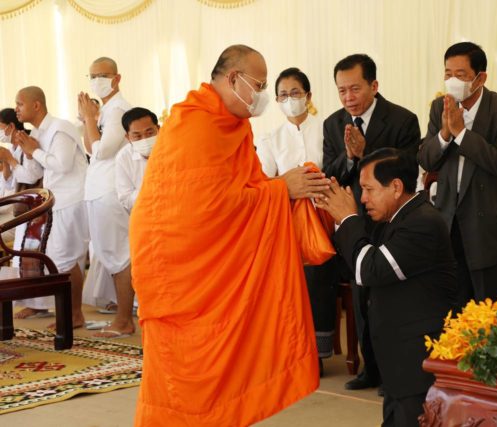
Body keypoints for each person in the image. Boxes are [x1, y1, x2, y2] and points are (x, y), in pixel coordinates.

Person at [129, 44, 328, 427]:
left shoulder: (232, 125)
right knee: (184, 372)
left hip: (210, 258)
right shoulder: (196, 123)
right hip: (179, 265)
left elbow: (241, 190)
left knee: (222, 366)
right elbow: (206, 207)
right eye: (261, 85)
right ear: (234, 79)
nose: (264, 95)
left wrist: (282, 189)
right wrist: (280, 190)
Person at [316, 147, 457, 427]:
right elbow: (354, 264)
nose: (363, 198)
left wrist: (348, 219)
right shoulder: (395, 218)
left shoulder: (422, 223)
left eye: (369, 189)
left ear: (396, 187)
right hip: (398, 364)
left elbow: (369, 269)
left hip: (418, 366)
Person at [323, 53, 421, 392]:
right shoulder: (333, 124)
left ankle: (396, 369)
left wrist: (368, 152)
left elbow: (406, 173)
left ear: (374, 85)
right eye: (341, 91)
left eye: (355, 89)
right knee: (361, 299)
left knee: (392, 298)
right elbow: (331, 174)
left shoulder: (403, 120)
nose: (348, 97)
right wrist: (350, 156)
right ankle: (371, 369)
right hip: (355, 223)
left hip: (393, 222)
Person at [418, 41, 497, 307]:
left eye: (461, 74)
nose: (452, 81)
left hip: (490, 228)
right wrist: (445, 133)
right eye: (448, 73)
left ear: (480, 78)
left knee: (491, 312)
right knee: (453, 310)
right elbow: (426, 159)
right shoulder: (439, 107)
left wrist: (461, 133)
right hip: (449, 222)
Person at [256, 67, 337, 373]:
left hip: (327, 216)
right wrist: (289, 184)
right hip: (287, 219)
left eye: (295, 93)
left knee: (318, 274)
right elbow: (263, 182)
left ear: (308, 96)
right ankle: (290, 348)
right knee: (283, 276)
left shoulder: (328, 129)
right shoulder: (270, 138)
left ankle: (316, 351)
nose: (290, 100)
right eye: (283, 95)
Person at [13, 86, 89, 329]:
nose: (16, 109)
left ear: (36, 105)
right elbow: (34, 173)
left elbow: (63, 165)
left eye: (20, 104)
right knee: (58, 257)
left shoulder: (60, 127)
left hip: (71, 199)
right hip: (56, 201)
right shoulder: (37, 132)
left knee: (66, 258)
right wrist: (24, 155)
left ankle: (75, 314)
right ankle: (69, 312)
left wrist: (34, 150)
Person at [78, 57, 134, 338]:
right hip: (98, 189)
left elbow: (102, 151)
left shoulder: (119, 110)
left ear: (116, 78)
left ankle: (124, 320)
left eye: (102, 75)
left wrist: (89, 118)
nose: (96, 81)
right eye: (92, 76)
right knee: (108, 255)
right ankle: (120, 316)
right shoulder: (107, 111)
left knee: (119, 255)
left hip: (111, 190)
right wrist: (89, 120)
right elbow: (91, 148)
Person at [0, 108, 44, 276]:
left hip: (31, 208)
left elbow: (32, 177)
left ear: (11, 126)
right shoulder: (12, 149)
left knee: (26, 256)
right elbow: (10, 184)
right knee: (19, 257)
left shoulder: (27, 142)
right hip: (20, 208)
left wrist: (10, 159)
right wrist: (6, 163)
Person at [115, 107, 159, 212]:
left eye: (150, 133)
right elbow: (126, 199)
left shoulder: (174, 148)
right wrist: (151, 188)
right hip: (147, 213)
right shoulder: (123, 158)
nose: (145, 139)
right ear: (128, 137)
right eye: (137, 136)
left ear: (158, 129)